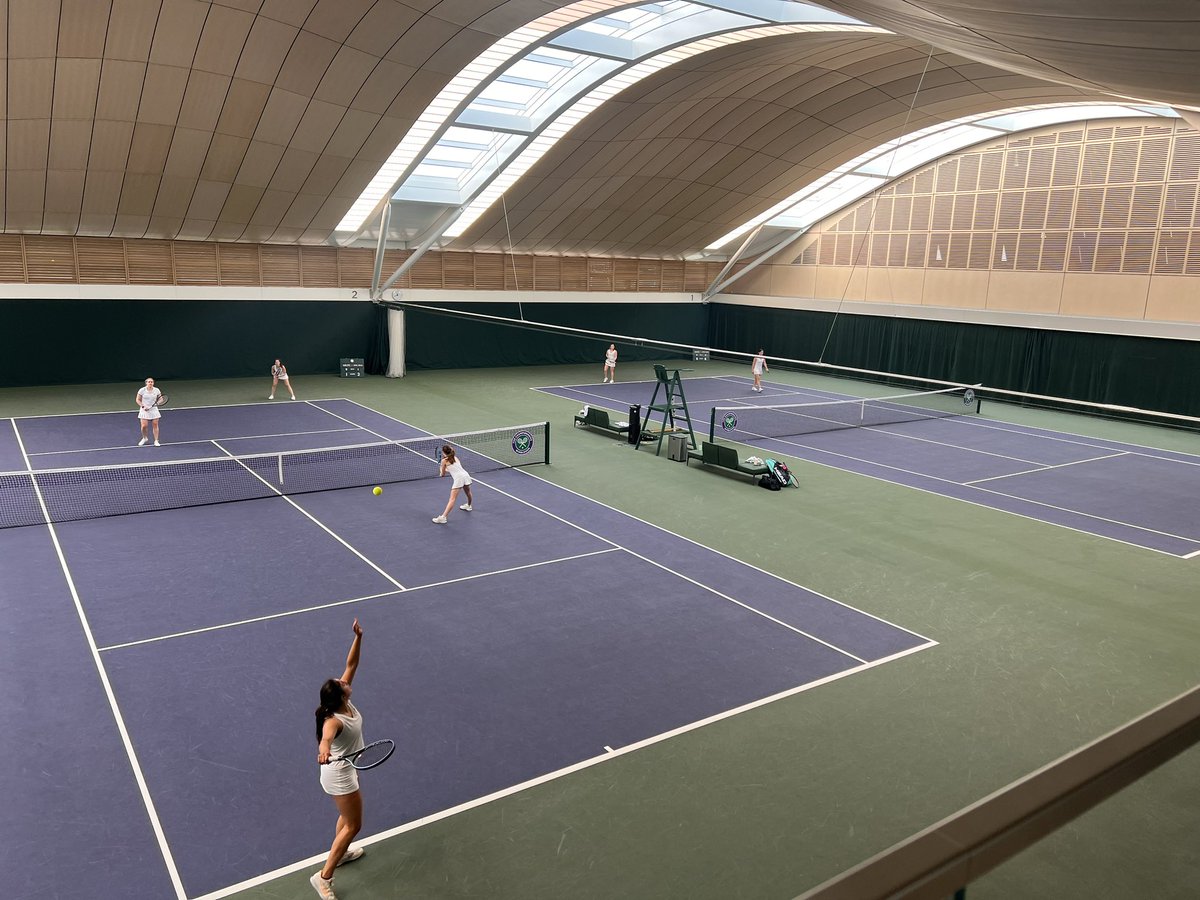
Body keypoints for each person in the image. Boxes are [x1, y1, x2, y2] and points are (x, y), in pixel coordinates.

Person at [312, 619, 367, 900]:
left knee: (346, 818)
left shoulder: (343, 701)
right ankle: (323, 878)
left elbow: (351, 664)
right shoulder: (333, 720)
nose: (344, 680)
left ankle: (341, 853)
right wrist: (323, 750)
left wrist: (358, 637)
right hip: (340, 775)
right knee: (354, 825)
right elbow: (326, 738)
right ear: (340, 695)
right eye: (341, 683)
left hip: (344, 770)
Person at [432, 444, 473, 524]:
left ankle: (443, 517)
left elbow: (442, 475)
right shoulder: (455, 457)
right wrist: (445, 469)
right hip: (465, 475)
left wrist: (441, 469)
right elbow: (454, 468)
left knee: (452, 499)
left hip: (459, 478)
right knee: (468, 492)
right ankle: (469, 505)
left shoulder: (444, 461)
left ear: (443, 453)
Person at [135, 377, 162, 446]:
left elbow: (161, 399)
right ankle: (144, 438)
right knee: (144, 426)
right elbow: (137, 400)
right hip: (144, 409)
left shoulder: (157, 390)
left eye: (151, 382)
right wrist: (143, 406)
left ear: (153, 383)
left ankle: (156, 440)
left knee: (155, 424)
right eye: (149, 382)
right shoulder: (142, 390)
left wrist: (157, 403)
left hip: (154, 409)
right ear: (146, 383)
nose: (150, 383)